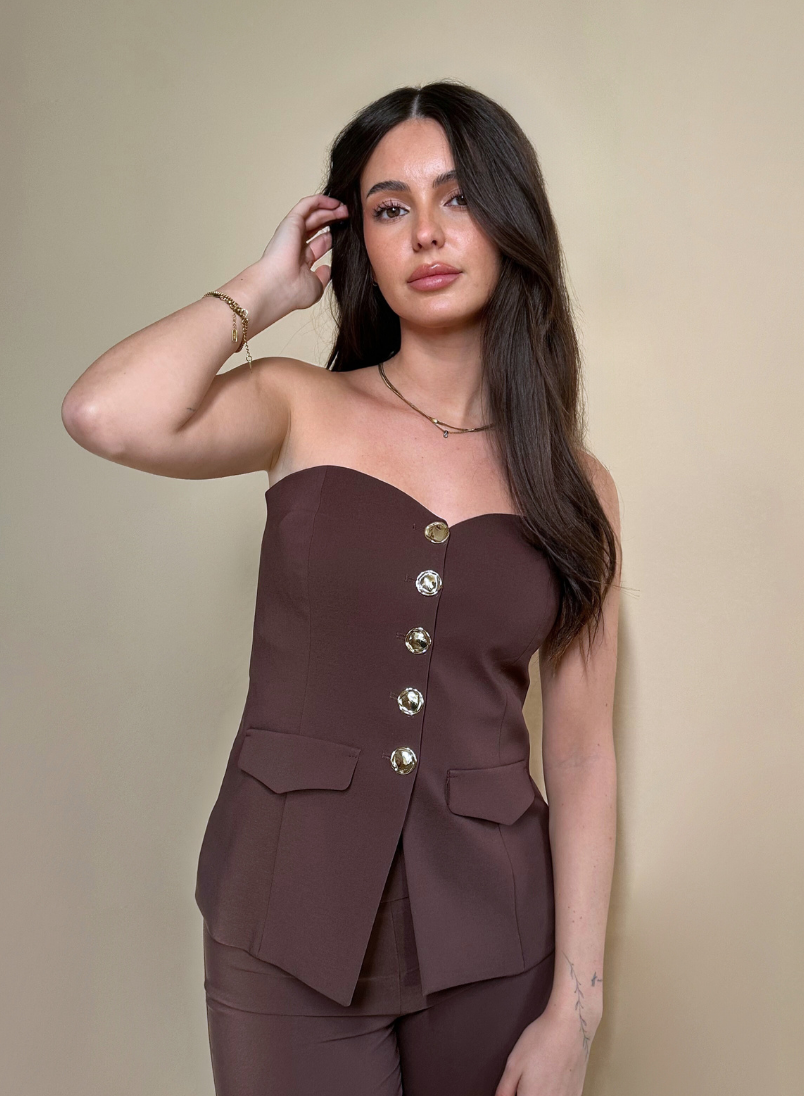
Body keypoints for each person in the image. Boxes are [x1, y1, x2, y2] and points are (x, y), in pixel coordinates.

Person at [62, 80, 621, 1096]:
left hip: (496, 938)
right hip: (282, 916)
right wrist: (262, 291)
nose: (427, 233)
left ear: (510, 218)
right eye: (389, 208)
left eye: (458, 197)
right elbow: (104, 413)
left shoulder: (576, 485)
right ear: (358, 239)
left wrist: (575, 1010)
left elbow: (581, 754)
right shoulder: (298, 405)